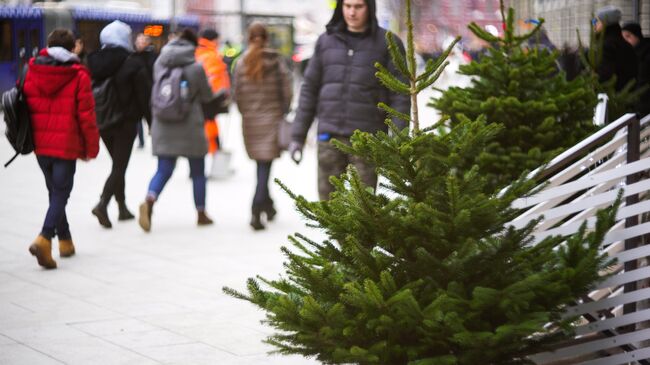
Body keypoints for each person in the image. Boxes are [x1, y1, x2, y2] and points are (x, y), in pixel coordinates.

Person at [289, 0, 410, 200]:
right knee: (329, 207)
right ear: (340, 8)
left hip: (367, 140)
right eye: (347, 6)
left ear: (369, 8)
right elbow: (309, 89)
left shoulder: (388, 42)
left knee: (364, 208)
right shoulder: (325, 41)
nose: (352, 12)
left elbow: (400, 95)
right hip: (330, 137)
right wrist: (297, 136)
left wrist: (398, 140)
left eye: (358, 6)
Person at [23, 29, 99, 269]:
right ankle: (45, 238)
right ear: (72, 48)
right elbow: (86, 115)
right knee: (61, 193)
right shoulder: (78, 74)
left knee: (55, 192)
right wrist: (91, 149)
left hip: (40, 144)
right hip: (65, 145)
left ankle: (65, 241)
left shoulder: (31, 69)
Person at [138, 28, 215, 232]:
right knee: (198, 172)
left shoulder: (159, 63)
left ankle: (150, 199)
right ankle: (201, 213)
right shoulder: (196, 68)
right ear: (192, 45)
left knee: (164, 169)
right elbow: (207, 96)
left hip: (163, 123)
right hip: (190, 125)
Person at [87, 21, 152, 228]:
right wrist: (150, 122)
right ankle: (103, 204)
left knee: (117, 164)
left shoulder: (93, 62)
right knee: (119, 166)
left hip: (103, 121)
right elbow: (144, 97)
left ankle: (122, 207)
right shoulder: (132, 63)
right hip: (125, 122)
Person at [234, 22, 293, 230]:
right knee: (264, 167)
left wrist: (247, 113)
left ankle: (269, 207)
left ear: (249, 38)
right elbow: (287, 91)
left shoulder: (241, 63)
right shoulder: (276, 61)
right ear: (266, 38)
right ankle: (256, 210)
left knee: (261, 166)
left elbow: (237, 96)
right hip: (272, 119)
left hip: (250, 121)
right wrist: (284, 110)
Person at [195, 28, 231, 176]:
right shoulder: (210, 55)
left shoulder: (199, 52)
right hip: (210, 99)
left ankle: (208, 162)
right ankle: (210, 163)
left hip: (202, 99)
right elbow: (213, 78)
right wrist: (222, 94)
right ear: (212, 39)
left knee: (207, 128)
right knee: (209, 129)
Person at [593, 5, 637, 92]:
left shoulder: (607, 46)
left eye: (595, 21)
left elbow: (604, 77)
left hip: (610, 98)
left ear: (605, 23)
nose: (593, 24)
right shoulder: (625, 44)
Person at [133, 33, 158, 149]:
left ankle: (154, 137)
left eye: (143, 41)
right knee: (137, 118)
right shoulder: (133, 56)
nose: (140, 43)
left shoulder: (153, 56)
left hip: (150, 90)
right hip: (137, 92)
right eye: (138, 41)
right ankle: (141, 140)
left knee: (151, 116)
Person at [622, 22, 650, 117]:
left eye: (628, 36)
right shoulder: (627, 54)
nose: (625, 40)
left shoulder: (645, 53)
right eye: (623, 37)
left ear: (637, 36)